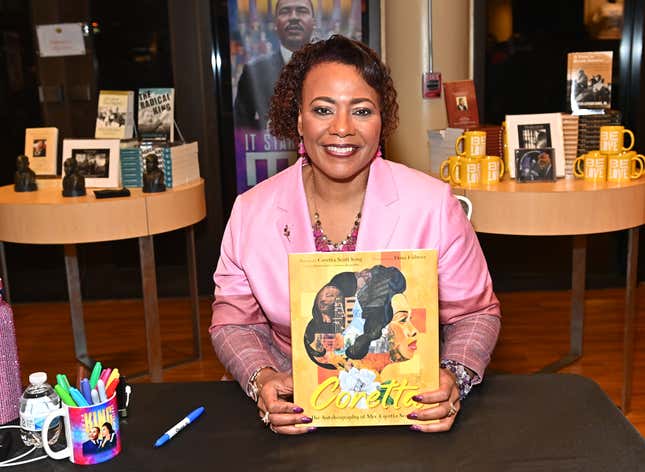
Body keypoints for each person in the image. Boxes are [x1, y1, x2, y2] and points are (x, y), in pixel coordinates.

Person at [210, 35, 501, 435]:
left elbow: (475, 313)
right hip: (296, 409)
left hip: (402, 407)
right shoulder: (251, 212)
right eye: (323, 110)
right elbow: (233, 322)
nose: (342, 129)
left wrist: (454, 376)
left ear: (382, 121)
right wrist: (262, 377)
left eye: (361, 110)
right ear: (298, 119)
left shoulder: (432, 204)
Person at [233, 0, 315, 129]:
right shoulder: (253, 74)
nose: (293, 17)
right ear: (276, 23)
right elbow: (242, 132)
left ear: (313, 22)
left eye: (301, 11)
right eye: (285, 11)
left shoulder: (332, 71)